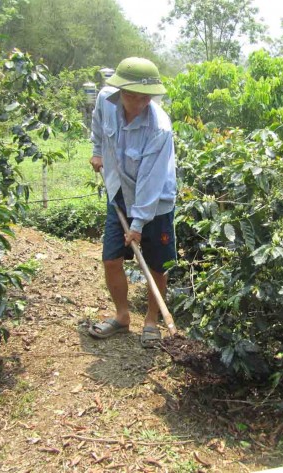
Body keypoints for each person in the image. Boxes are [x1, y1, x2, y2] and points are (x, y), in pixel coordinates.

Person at [88, 57, 176, 348]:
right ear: (119, 91)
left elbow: (151, 182)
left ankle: (151, 322)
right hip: (119, 193)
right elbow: (98, 126)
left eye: (144, 98)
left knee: (155, 266)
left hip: (156, 203)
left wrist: (137, 225)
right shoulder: (105, 99)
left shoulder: (159, 128)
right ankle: (122, 316)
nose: (138, 104)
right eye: (131, 96)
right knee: (111, 259)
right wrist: (98, 151)